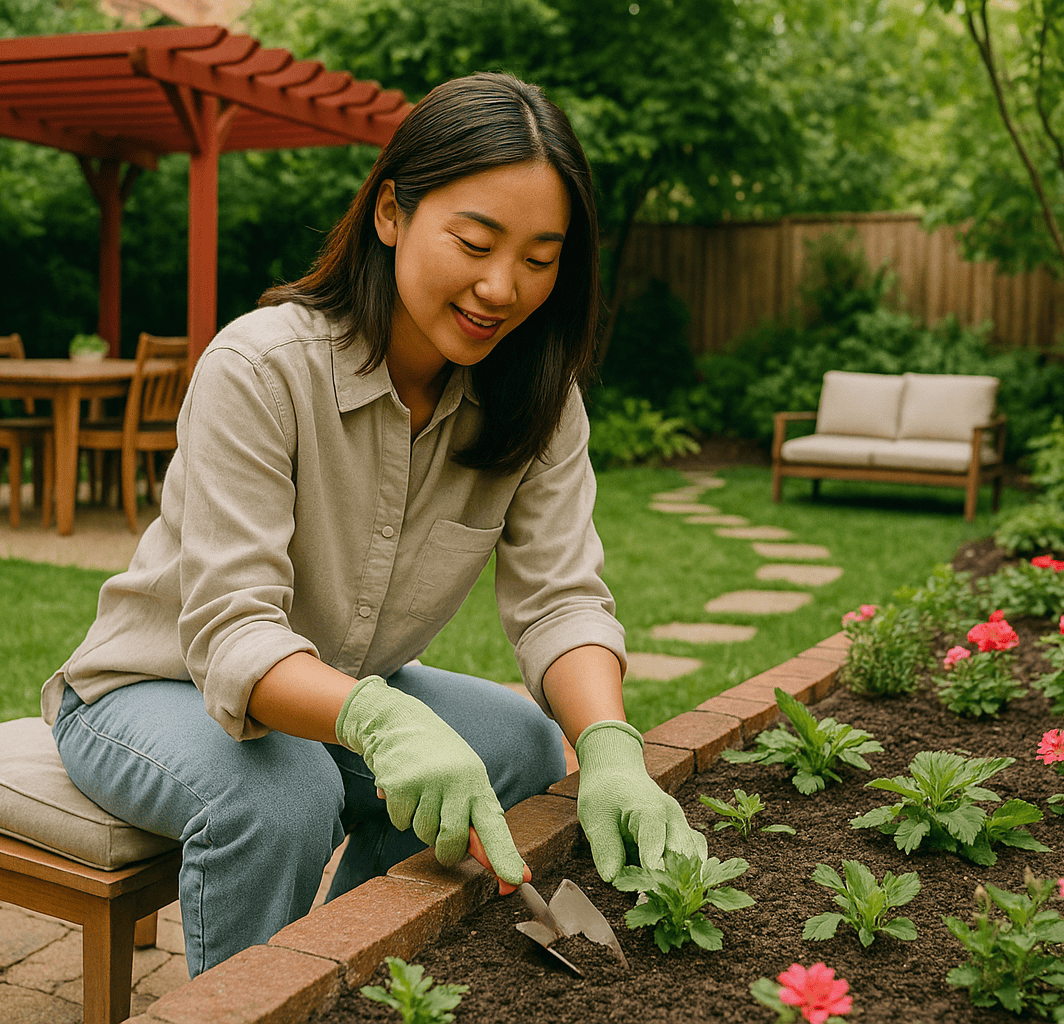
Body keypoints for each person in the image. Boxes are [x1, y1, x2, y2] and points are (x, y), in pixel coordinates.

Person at [42, 71, 706, 978]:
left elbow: (562, 602)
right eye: (475, 242)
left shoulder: (537, 399)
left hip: (352, 688)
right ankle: (251, 1001)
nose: (502, 287)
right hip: (152, 688)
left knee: (518, 743)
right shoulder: (261, 368)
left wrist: (611, 746)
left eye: (541, 259)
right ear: (391, 214)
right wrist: (377, 717)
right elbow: (234, 635)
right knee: (281, 795)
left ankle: (360, 969)